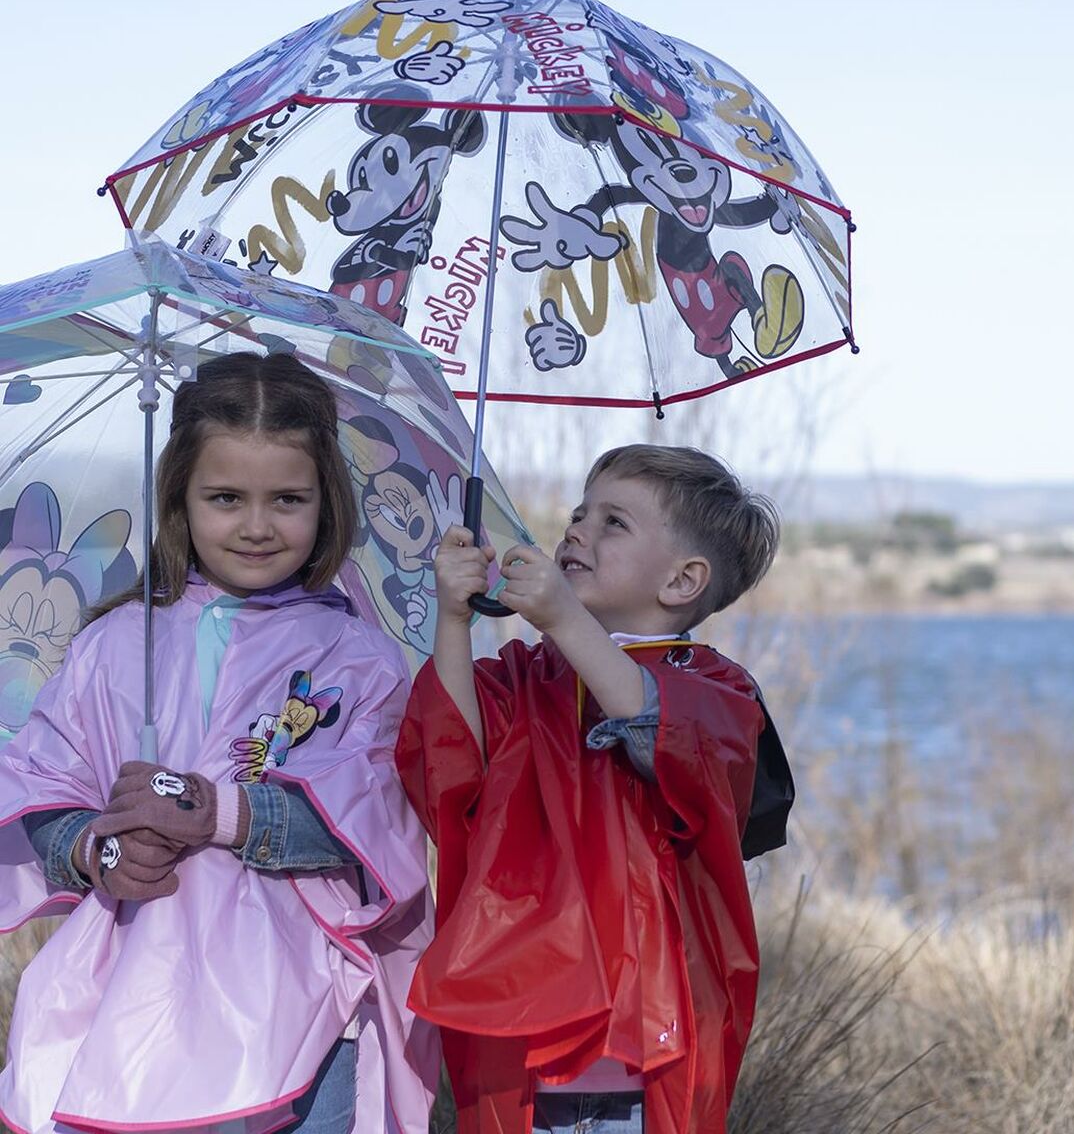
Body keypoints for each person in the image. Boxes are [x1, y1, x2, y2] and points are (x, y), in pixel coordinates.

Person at [0, 353, 438, 1134]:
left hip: (307, 1005)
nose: (257, 526)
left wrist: (220, 812)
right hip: (136, 994)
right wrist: (96, 848)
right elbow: (43, 785)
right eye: (226, 498)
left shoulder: (358, 658)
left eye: (288, 500)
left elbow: (372, 823)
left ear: (326, 502)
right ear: (181, 496)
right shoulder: (116, 643)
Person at [397, 444, 783, 1134]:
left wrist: (562, 618)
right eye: (580, 513)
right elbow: (451, 761)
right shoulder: (526, 674)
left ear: (682, 580)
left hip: (643, 1040)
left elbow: (656, 726)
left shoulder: (716, 691)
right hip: (521, 1018)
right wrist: (452, 620)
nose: (578, 529)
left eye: (613, 523)